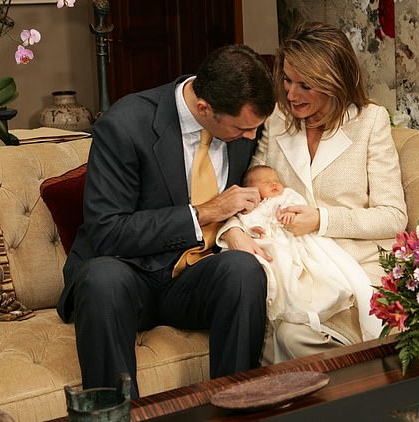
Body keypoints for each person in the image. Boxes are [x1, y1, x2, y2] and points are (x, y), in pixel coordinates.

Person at [56, 44, 276, 399]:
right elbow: (107, 231)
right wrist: (206, 211)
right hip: (129, 273)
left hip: (192, 278)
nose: (251, 138)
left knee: (242, 270)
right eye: (242, 129)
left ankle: (237, 407)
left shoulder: (243, 126)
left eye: (255, 129)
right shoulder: (125, 125)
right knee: (102, 280)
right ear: (204, 108)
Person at [221, 22, 408, 360]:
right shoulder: (277, 119)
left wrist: (320, 220)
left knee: (291, 335)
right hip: (289, 263)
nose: (291, 95)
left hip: (355, 266)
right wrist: (233, 230)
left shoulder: (370, 121)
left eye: (305, 85)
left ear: (334, 83)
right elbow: (253, 188)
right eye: (287, 81)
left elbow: (393, 217)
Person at [221, 165, 381, 362]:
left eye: (276, 180)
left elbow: (393, 216)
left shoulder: (286, 196)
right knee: (276, 279)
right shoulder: (268, 138)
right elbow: (242, 216)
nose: (273, 183)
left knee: (311, 284)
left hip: (320, 245)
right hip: (275, 249)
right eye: (266, 182)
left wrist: (319, 219)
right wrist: (237, 231)